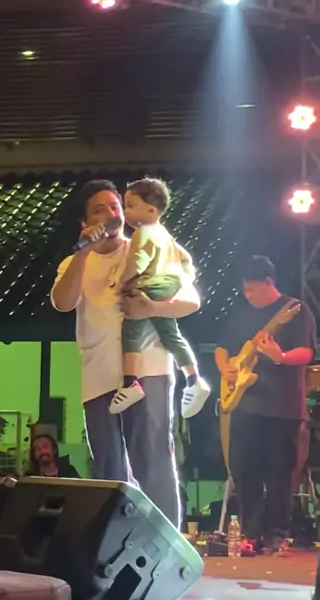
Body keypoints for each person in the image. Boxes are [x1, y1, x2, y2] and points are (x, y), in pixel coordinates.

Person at [50, 179, 200, 527]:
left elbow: (191, 300)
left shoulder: (150, 244)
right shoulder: (76, 261)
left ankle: (166, 542)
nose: (110, 213)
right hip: (98, 372)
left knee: (152, 456)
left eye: (115, 206)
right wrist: (84, 251)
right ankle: (113, 541)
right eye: (98, 210)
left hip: (148, 367)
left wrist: (152, 309)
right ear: (85, 222)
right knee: (107, 464)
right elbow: (62, 302)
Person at [214, 255, 317, 553]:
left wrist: (280, 357)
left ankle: (277, 534)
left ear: (270, 282)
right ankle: (251, 532)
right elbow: (222, 348)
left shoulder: (295, 311)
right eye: (245, 289)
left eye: (253, 289)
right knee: (243, 468)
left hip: (282, 407)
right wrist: (225, 367)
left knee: (279, 472)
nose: (248, 295)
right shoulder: (242, 314)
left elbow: (307, 352)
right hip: (245, 405)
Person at [108, 177, 210, 418]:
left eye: (131, 205)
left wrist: (121, 283)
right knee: (170, 334)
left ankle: (130, 383)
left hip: (149, 285)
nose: (126, 211)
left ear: (151, 210)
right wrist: (185, 276)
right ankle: (193, 378)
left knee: (131, 332)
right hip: (169, 285)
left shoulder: (142, 232)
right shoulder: (164, 234)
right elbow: (185, 258)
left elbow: (137, 263)